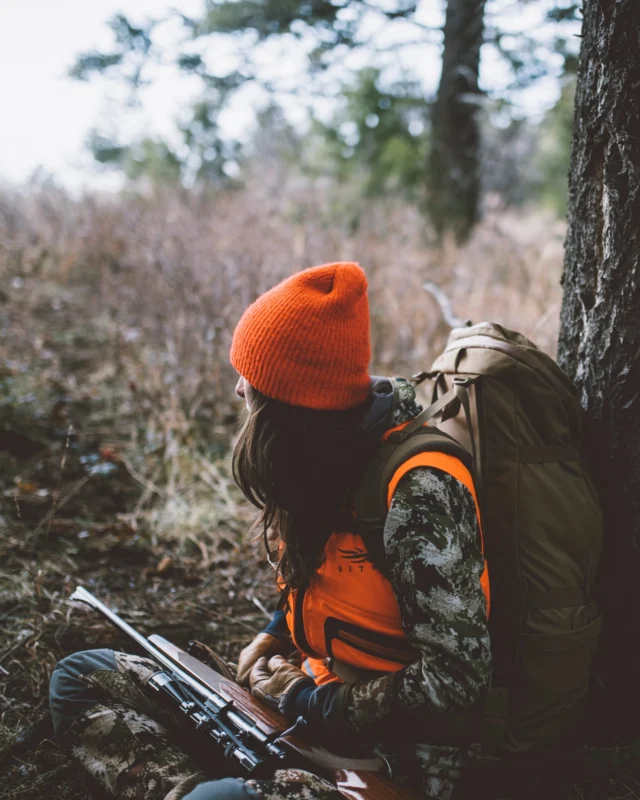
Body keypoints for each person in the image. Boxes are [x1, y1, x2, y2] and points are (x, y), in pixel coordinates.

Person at [49, 262, 491, 800]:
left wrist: (306, 702)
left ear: (292, 403)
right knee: (82, 677)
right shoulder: (321, 455)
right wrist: (275, 634)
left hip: (393, 763)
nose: (239, 389)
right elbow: (339, 584)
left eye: (252, 379)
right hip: (298, 721)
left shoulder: (419, 488)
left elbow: (456, 683)